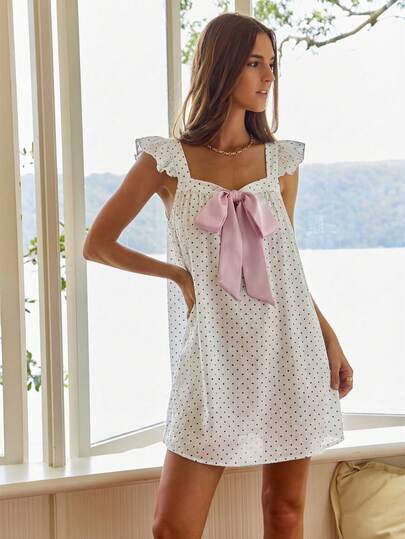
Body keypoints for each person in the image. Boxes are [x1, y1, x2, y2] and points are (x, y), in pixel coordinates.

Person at [83, 11, 354, 539]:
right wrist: (180, 277)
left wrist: (329, 336)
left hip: (287, 346)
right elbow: (98, 244)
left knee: (285, 512)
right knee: (173, 527)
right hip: (211, 355)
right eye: (255, 63)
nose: (268, 76)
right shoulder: (167, 161)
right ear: (221, 66)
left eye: (272, 64)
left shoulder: (281, 163)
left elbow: (287, 266)